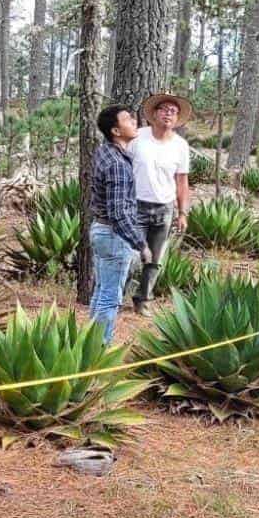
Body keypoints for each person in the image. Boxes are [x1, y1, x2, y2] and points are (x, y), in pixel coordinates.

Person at [89, 104, 152, 344]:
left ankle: (90, 344)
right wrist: (140, 244)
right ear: (116, 130)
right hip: (114, 236)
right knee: (110, 297)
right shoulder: (117, 164)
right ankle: (99, 351)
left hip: (100, 230)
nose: (134, 121)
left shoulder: (104, 151)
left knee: (101, 290)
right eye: (128, 119)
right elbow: (118, 213)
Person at [128, 93, 193, 314]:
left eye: (173, 111)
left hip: (164, 208)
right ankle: (114, 294)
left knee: (155, 258)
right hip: (135, 205)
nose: (168, 114)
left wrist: (183, 212)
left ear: (177, 119)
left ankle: (143, 300)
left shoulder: (180, 146)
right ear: (154, 114)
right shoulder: (137, 137)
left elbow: (182, 181)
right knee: (129, 254)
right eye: (164, 109)